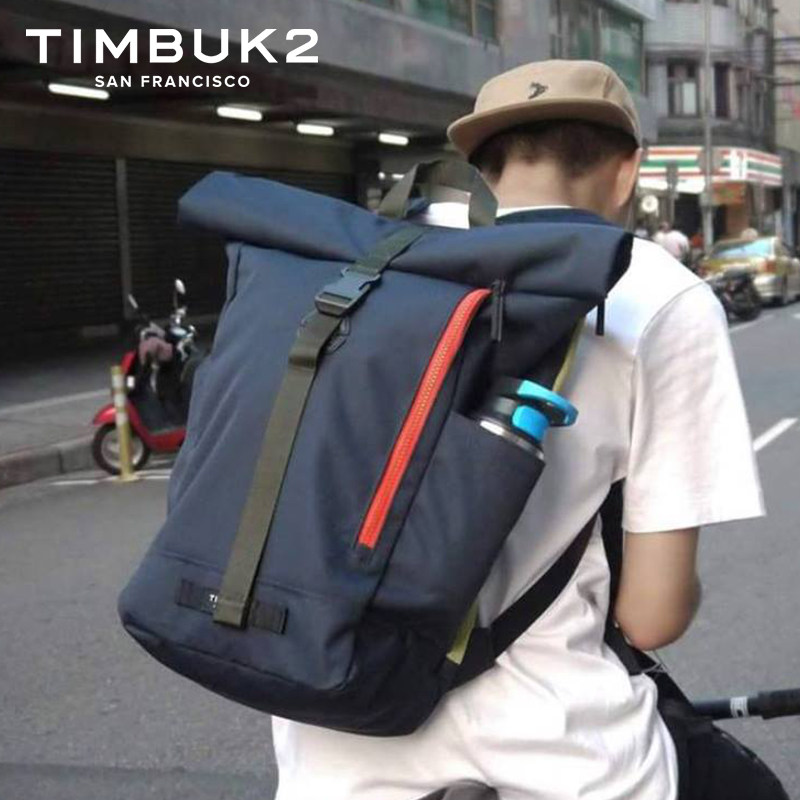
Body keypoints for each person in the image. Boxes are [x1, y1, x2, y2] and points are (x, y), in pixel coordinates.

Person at [271, 60, 764, 800]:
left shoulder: (366, 281)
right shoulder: (661, 294)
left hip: (332, 743)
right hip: (562, 755)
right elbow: (652, 617)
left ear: (482, 171)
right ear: (627, 171)